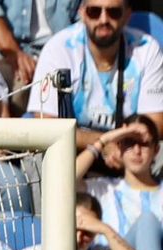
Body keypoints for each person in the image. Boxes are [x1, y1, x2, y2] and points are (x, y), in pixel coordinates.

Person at [31, 0, 163, 150]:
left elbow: (155, 123)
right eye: (94, 11)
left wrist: (122, 148)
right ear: (82, 13)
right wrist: (104, 143)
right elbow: (46, 127)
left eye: (114, 12)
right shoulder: (59, 48)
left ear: (127, 15)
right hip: (71, 155)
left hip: (131, 152)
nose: (104, 20)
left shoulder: (147, 48)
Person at [78, 116, 163, 250]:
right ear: (119, 146)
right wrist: (104, 140)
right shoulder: (105, 188)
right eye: (129, 142)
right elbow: (63, 182)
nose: (137, 151)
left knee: (147, 222)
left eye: (144, 144)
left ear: (156, 150)